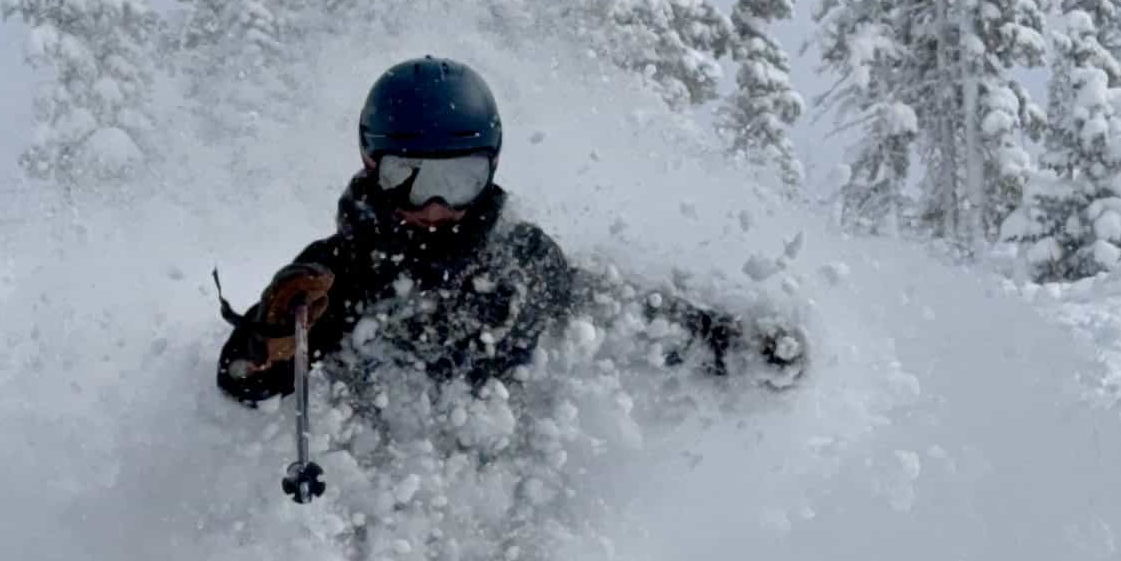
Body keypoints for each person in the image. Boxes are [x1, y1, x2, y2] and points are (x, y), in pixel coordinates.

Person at [216, 55, 806, 406]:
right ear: (373, 166)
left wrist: (729, 344)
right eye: (412, 179)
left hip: (503, 495)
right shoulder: (331, 275)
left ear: (492, 168)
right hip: (375, 504)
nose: (438, 206)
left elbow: (613, 315)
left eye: (462, 177)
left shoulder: (519, 259)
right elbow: (241, 382)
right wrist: (267, 341)